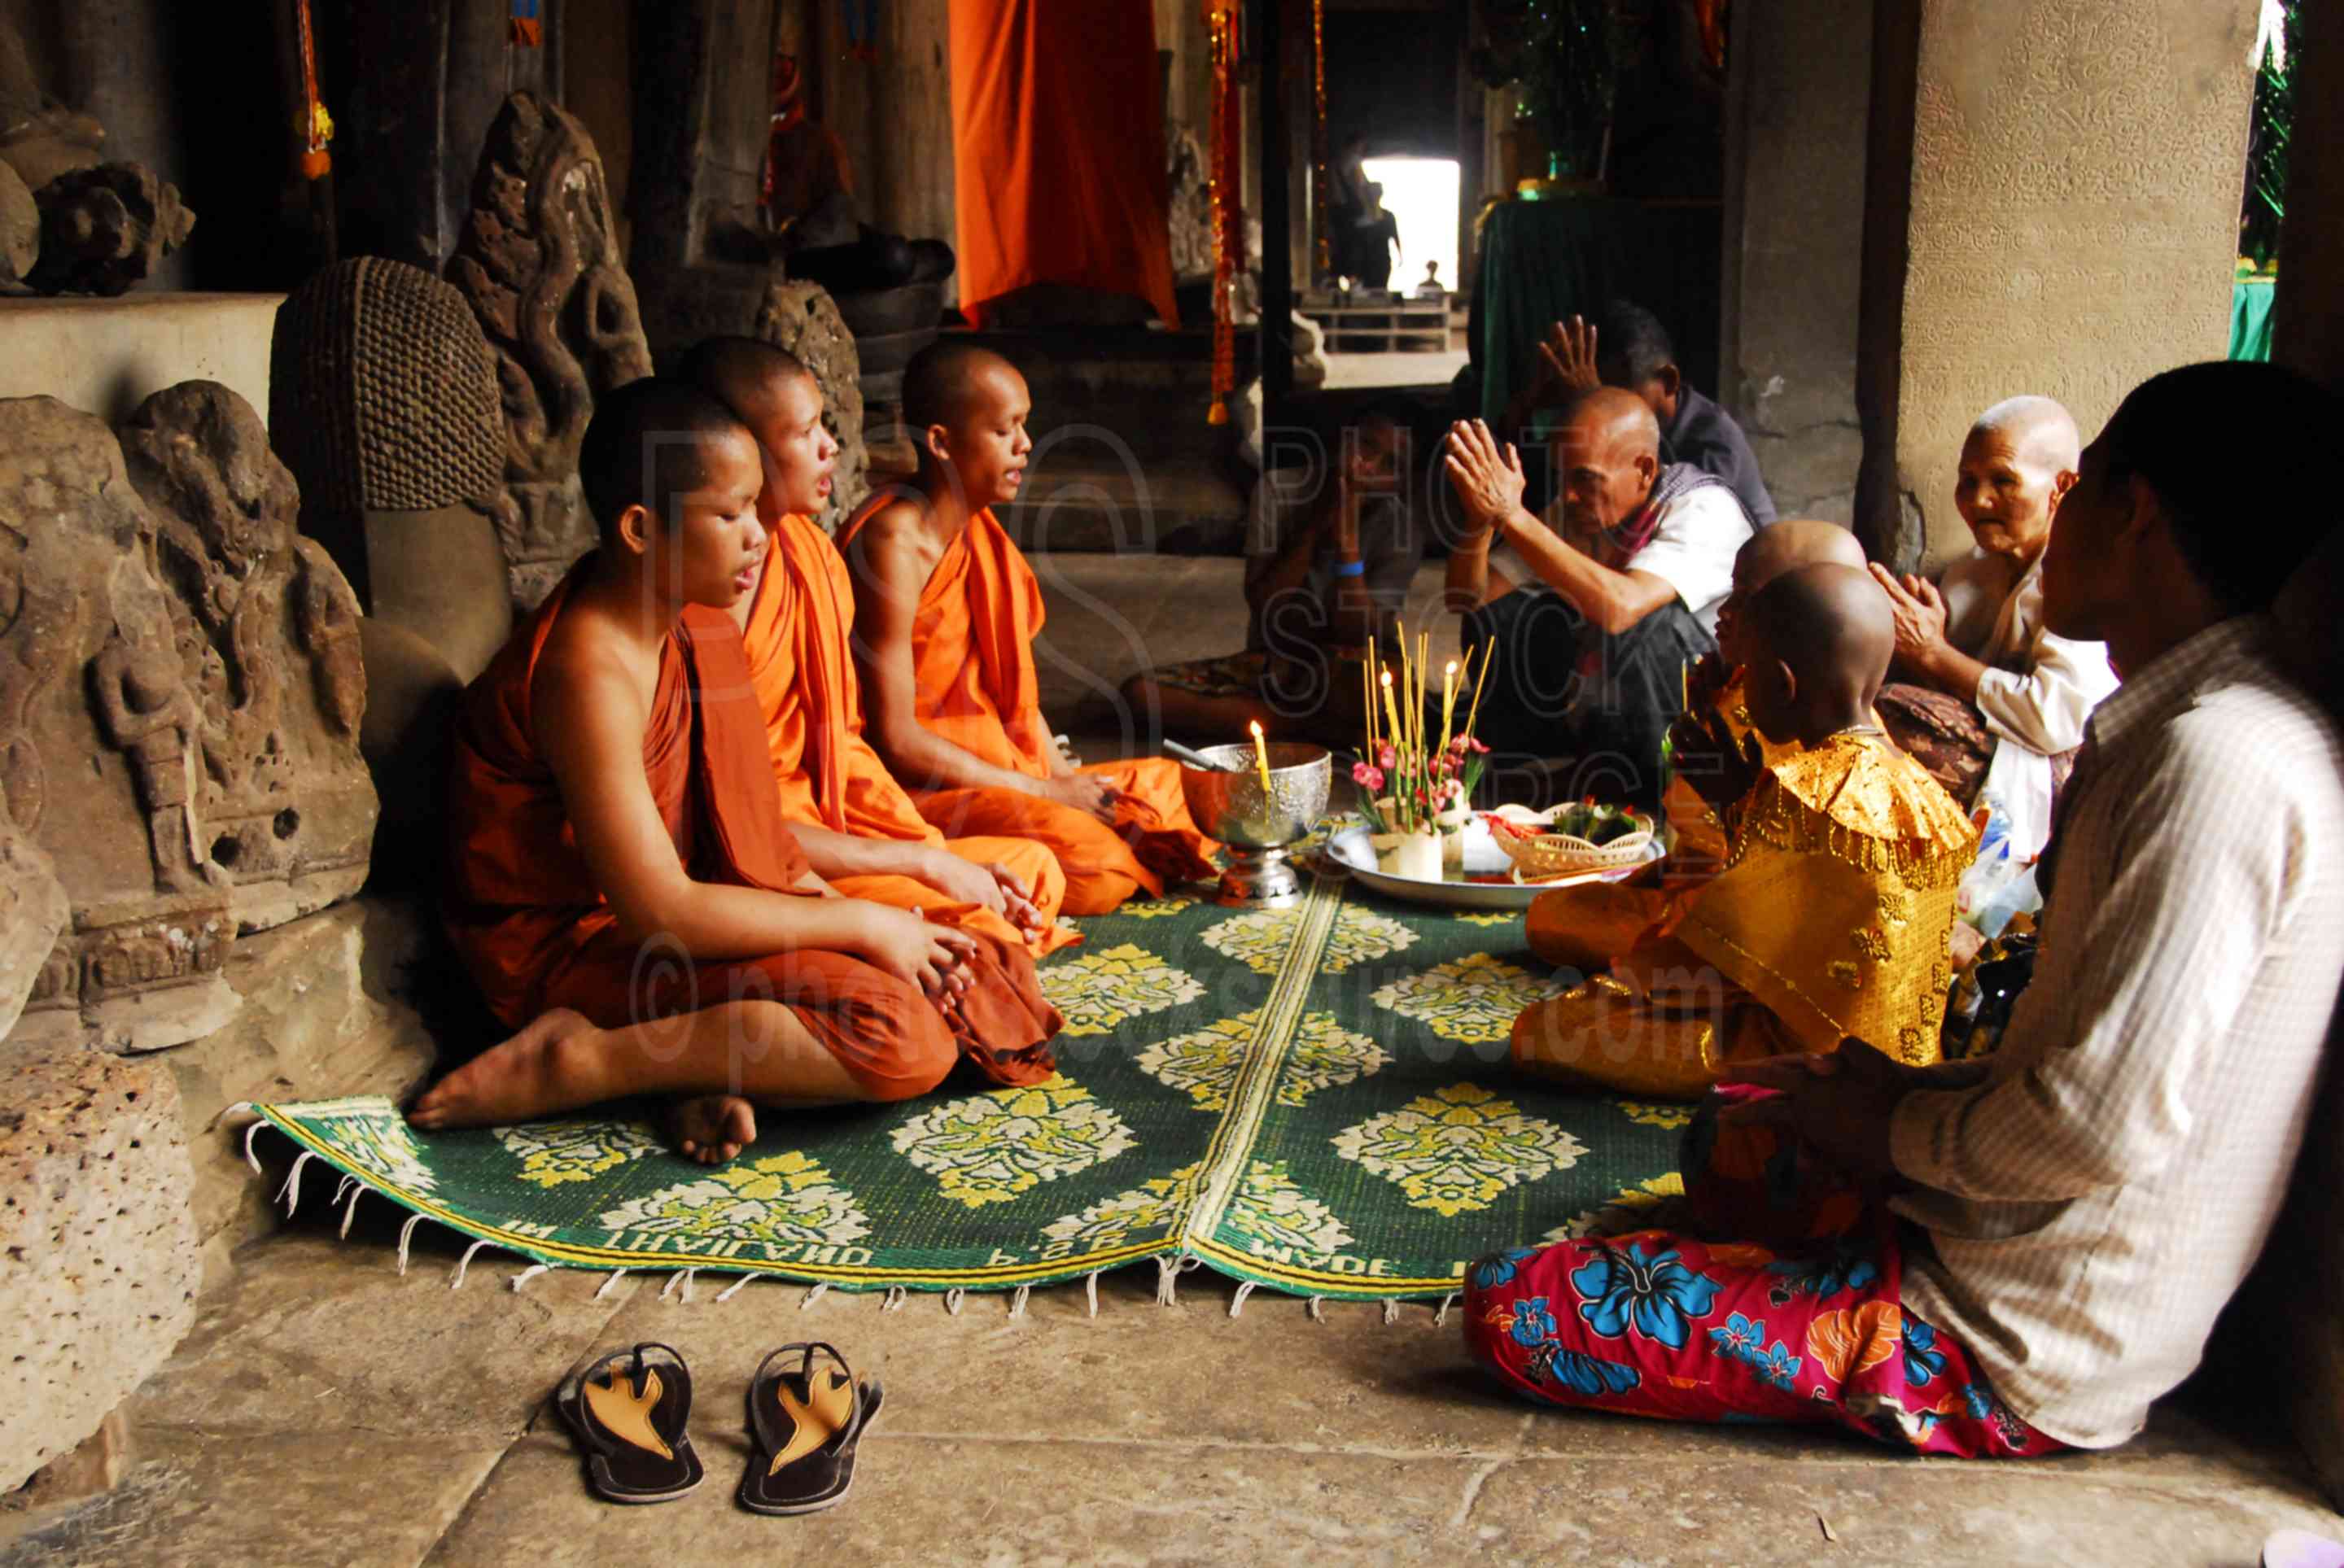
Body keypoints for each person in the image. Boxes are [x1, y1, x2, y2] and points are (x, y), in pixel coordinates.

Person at [1464, 361, 2344, 1460]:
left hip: (2012, 1337)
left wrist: (1881, 1126)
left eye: (2080, 493)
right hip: (1983, 1227)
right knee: (1732, 1136)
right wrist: (1897, 1093)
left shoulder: (2223, 764)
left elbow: (2093, 1122)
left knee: (1519, 1304)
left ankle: (1878, 1328)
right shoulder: (2189, 724)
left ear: (2136, 514)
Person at [416, 379, 1061, 1161]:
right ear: (641, 529)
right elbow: (661, 909)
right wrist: (863, 922)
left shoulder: (700, 629)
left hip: (677, 926)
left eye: (758, 508)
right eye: (730, 515)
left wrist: (876, 923)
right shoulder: (589, 671)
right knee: (902, 1036)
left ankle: (686, 1067)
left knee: (969, 966)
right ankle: (583, 1062)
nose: (759, 535)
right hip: (577, 948)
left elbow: (753, 838)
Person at [1511, 563, 1974, 1099]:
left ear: (1782, 683)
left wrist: (1733, 800)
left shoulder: (1805, 789)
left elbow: (1723, 947)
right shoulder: (1926, 790)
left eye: (1749, 673)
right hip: (1908, 1053)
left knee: (1546, 1030)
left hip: (1798, 1047)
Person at [680, 336, 1074, 962]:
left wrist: (926, 850)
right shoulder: (686, 611)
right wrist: (918, 863)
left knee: (1031, 869)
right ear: (737, 454)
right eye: (806, 432)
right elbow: (725, 828)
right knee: (984, 931)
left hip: (837, 821)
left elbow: (847, 743)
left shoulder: (809, 559)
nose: (830, 447)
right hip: (767, 852)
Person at [842, 340, 1218, 915]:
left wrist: (1066, 780)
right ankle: (961, 860)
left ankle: (1029, 838)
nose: (1024, 446)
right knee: (1097, 866)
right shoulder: (893, 542)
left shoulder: (978, 532)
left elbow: (1012, 694)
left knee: (1178, 788)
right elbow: (895, 737)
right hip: (932, 790)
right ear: (941, 442)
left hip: (1005, 772)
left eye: (1024, 425)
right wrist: (1047, 794)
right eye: (1003, 430)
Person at [1443, 391, 1753, 808]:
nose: (1569, 495)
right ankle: (1540, 763)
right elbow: (1469, 600)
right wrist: (1481, 522)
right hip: (1604, 699)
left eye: (1585, 480)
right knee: (1501, 619)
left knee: (1646, 629)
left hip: (1705, 717)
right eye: (1564, 478)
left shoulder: (1704, 509)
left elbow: (1622, 607)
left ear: (1644, 470)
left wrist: (1512, 516)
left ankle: (1644, 801)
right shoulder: (1578, 510)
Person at [1869, 395, 2119, 864]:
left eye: (2003, 481)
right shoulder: (1970, 572)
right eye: (1968, 481)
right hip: (2000, 743)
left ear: (2061, 487)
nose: (1979, 501)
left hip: (2062, 765)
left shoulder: (2081, 574)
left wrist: (1933, 654)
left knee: (1890, 711)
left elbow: (2056, 722)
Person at [1122, 404, 1423, 750]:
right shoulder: (1279, 489)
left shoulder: (1401, 527)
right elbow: (1265, 602)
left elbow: (1358, 632)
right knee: (1141, 695)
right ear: (1344, 441)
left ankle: (1290, 721)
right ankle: (1316, 726)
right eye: (1366, 446)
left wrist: (1347, 543)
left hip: (1355, 672)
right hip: (1276, 662)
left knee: (1398, 698)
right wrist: (1317, 523)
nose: (1367, 467)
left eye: (1390, 465)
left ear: (1401, 483)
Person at [1498, 298, 1775, 526]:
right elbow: (1531, 474)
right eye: (1605, 394)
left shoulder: (1714, 444)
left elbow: (1646, 523)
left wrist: (1594, 398)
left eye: (1619, 393)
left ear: (1668, 381)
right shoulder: (1597, 428)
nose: (1611, 406)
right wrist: (1529, 402)